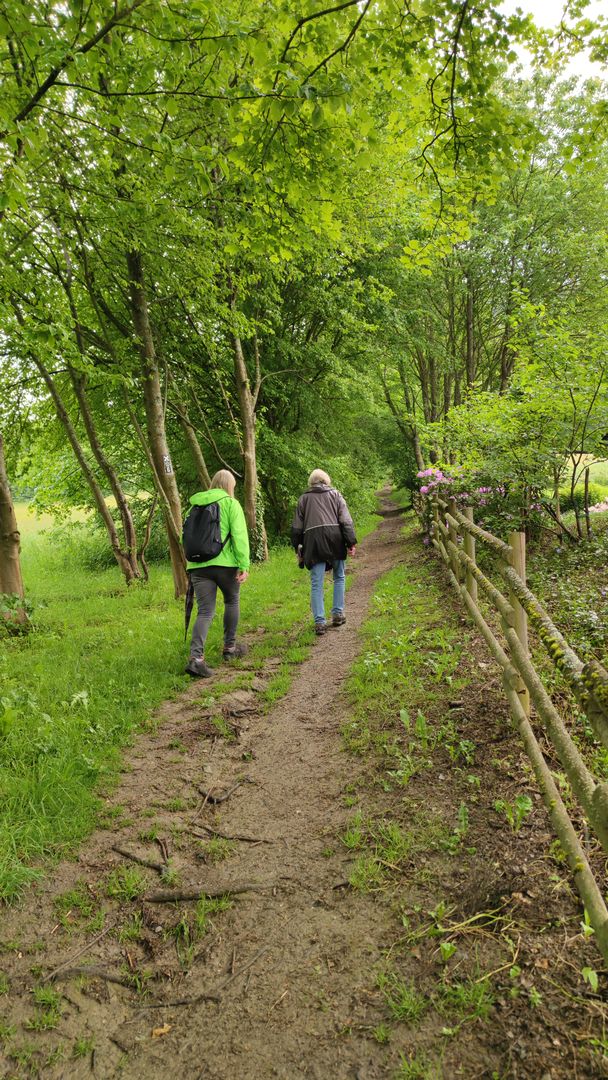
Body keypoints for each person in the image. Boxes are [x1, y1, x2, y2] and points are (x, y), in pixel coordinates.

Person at [184, 470, 250, 678]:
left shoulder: (194, 506)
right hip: (226, 564)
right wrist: (244, 564)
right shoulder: (231, 504)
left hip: (198, 566)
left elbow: (183, 537)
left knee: (205, 612)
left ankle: (196, 659)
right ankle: (230, 648)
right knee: (232, 601)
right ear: (230, 486)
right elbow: (239, 536)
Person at [291, 469, 357, 636]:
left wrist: (297, 546)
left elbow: (297, 528)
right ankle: (337, 614)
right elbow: (345, 520)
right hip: (335, 540)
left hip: (313, 543)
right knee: (339, 576)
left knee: (316, 583)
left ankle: (320, 622)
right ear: (326, 481)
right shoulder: (336, 495)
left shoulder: (303, 499)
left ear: (311, 482)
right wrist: (351, 542)